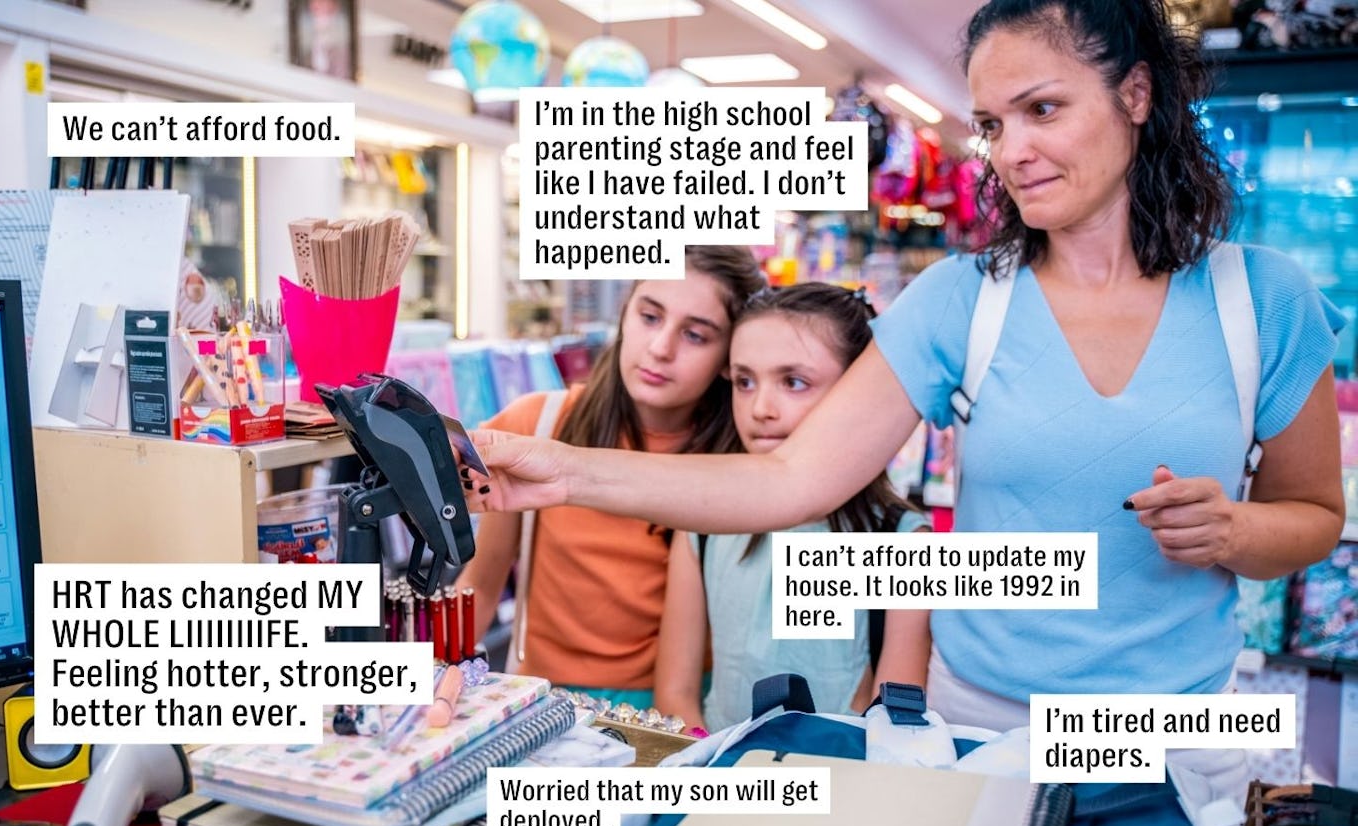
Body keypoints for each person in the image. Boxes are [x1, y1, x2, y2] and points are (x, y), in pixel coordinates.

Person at [470, 0, 1343, 734]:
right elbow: (786, 483)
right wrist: (564, 470)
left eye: (1043, 110)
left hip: (1177, 724)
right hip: (986, 721)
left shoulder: (1262, 300)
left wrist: (1234, 533)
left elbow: (1310, 516)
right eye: (994, 125)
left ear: (1136, 93)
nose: (1011, 152)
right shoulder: (962, 299)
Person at [456, 245, 765, 710]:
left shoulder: (739, 463)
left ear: (730, 356)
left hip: (681, 714)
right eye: (649, 316)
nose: (661, 348)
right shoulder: (535, 425)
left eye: (696, 335)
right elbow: (479, 588)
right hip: (541, 707)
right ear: (625, 314)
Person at [655, 283, 932, 733]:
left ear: (860, 392)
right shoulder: (703, 526)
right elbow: (675, 692)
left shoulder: (901, 539)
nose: (761, 408)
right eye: (744, 381)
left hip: (849, 787)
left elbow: (898, 722)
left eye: (794, 382)